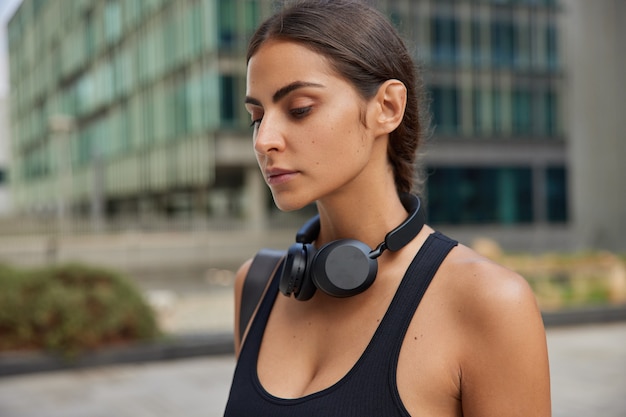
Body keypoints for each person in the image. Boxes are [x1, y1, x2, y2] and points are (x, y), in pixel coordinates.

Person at [224, 1, 551, 415]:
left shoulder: (490, 303)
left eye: (299, 109)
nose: (263, 139)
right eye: (257, 116)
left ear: (387, 108)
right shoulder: (254, 286)